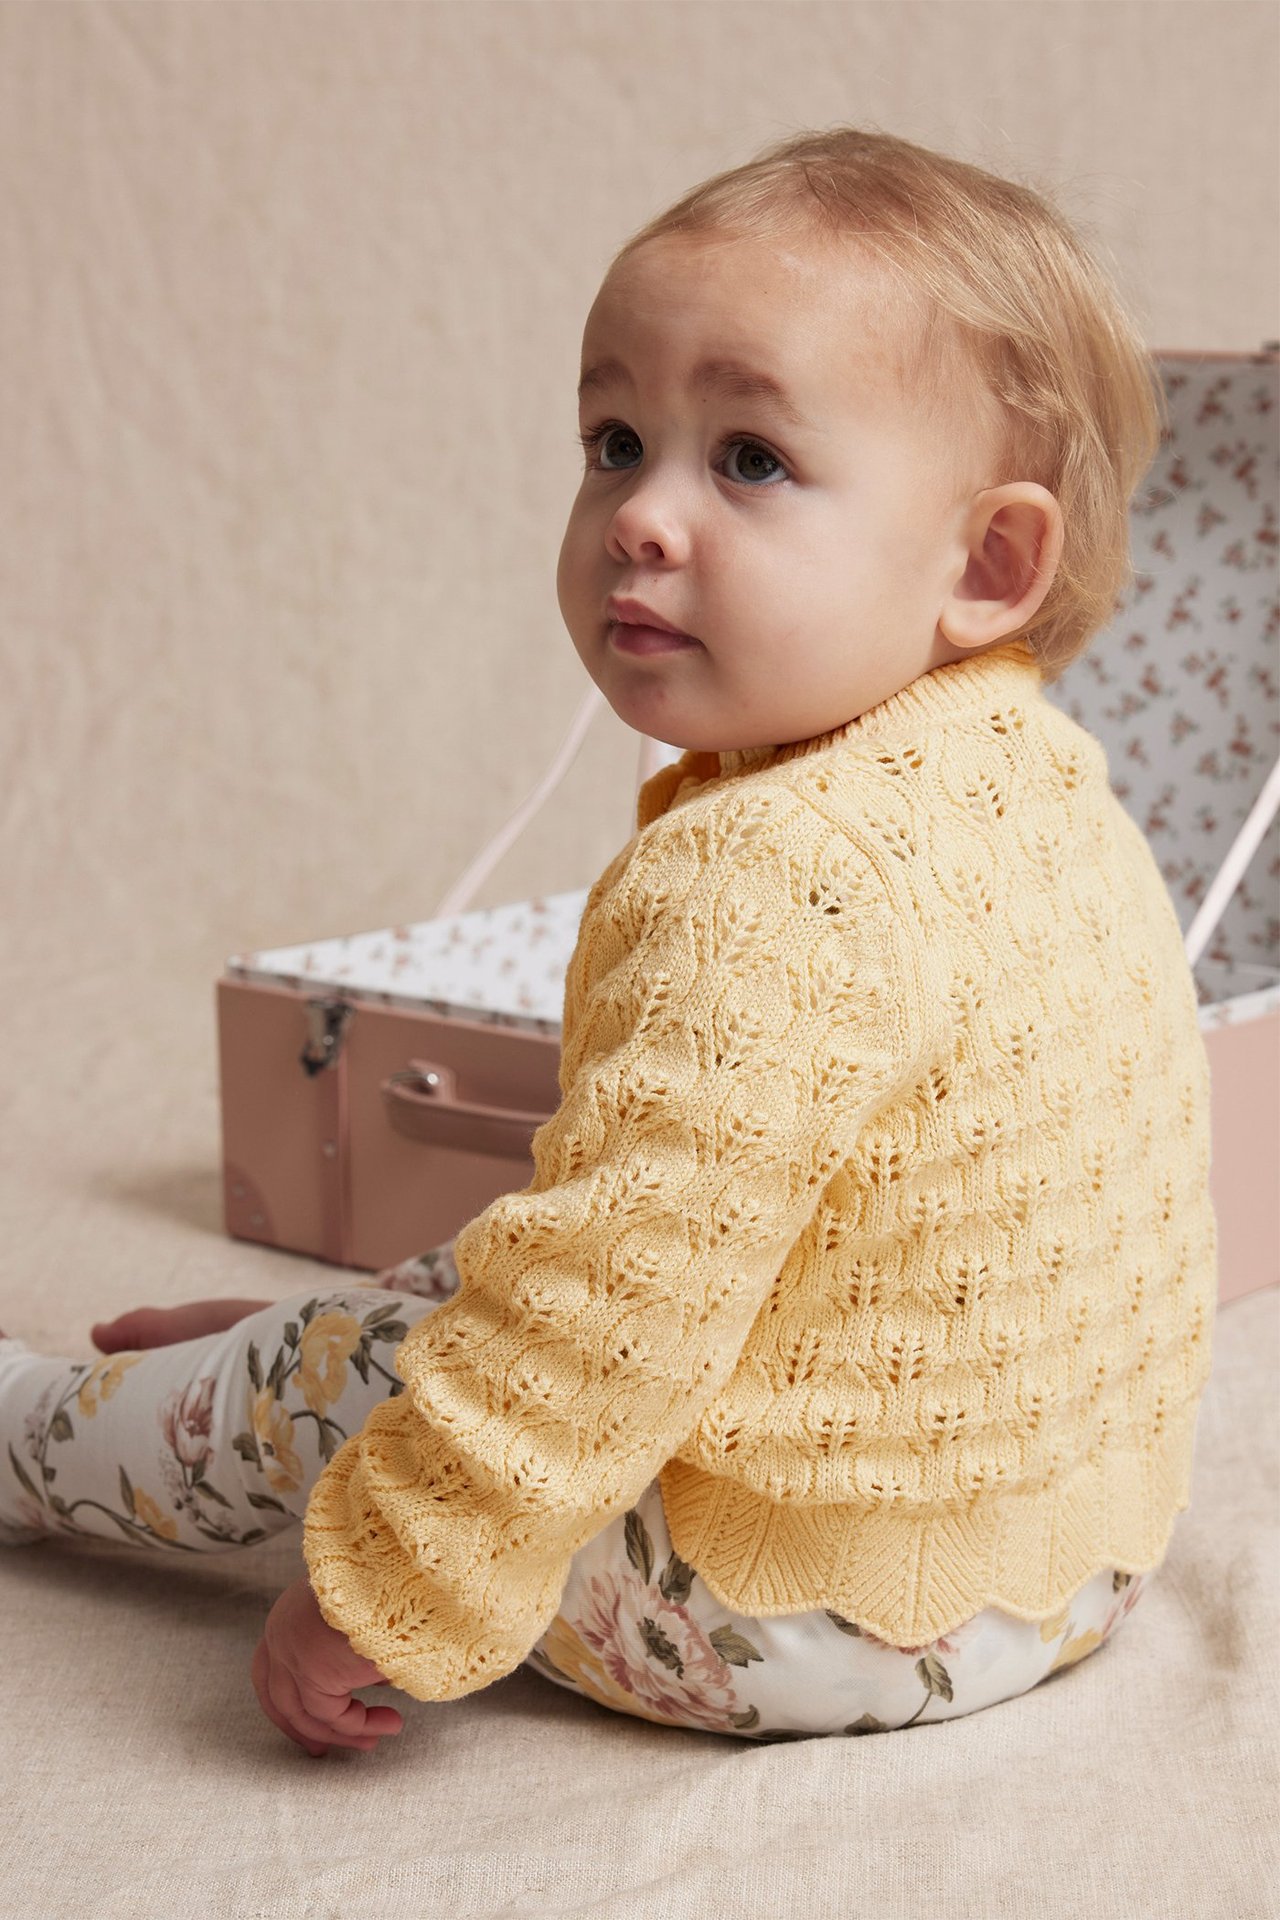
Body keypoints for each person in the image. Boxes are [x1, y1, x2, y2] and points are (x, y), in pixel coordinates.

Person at [0, 125, 1215, 1754]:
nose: (642, 515)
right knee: (483, 1291)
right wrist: (413, 1308)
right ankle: (311, 1340)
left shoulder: (777, 877)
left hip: (784, 1615)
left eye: (752, 462)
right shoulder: (1043, 789)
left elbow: (598, 1312)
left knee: (357, 1395)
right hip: (1065, 1561)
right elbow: (701, 1221)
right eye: (615, 438)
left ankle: (37, 1439)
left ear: (986, 562)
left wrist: (393, 1582)